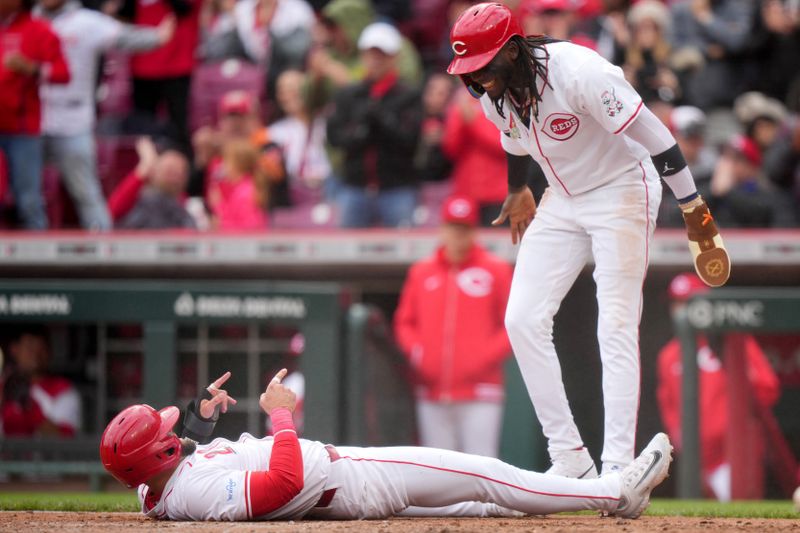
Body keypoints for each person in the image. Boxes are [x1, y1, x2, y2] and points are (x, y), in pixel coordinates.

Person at [446, 3, 729, 479]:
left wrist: (692, 206)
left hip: (622, 185)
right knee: (521, 320)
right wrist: (518, 189)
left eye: (482, 66)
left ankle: (617, 465)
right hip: (563, 196)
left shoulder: (581, 73)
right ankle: (573, 460)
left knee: (614, 323)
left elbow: (656, 136)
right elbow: (514, 140)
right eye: (467, 72)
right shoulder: (491, 91)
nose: (476, 80)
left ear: (513, 51)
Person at [100, 368, 673, 521]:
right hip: (343, 480)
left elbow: (187, 468)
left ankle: (581, 492)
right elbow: (281, 484)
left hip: (341, 483)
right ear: (158, 456)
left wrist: (199, 424)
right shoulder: (192, 491)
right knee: (484, 474)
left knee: (482, 502)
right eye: (168, 435)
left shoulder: (159, 487)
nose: (175, 435)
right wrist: (280, 420)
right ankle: (612, 492)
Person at [35, 0, 175, 232]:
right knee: (27, 193)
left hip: (73, 120)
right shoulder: (28, 20)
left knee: (86, 192)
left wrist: (158, 36)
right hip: (29, 122)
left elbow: (126, 37)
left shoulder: (85, 21)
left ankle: (104, 248)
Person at [394, 195, 513, 457]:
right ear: (442, 229)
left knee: (482, 466)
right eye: (452, 227)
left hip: (481, 388)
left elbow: (512, 325)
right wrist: (418, 354)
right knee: (438, 468)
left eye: (464, 228)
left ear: (473, 231)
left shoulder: (496, 270)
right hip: (432, 388)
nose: (457, 235)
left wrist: (482, 357)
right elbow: (405, 322)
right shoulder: (422, 271)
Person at [656, 272, 780, 501]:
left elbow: (768, 390)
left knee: (736, 515)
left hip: (733, 455)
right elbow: (669, 406)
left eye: (688, 302)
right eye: (677, 303)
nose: (681, 310)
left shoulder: (730, 342)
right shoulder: (668, 356)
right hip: (696, 459)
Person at [326, 22, 423, 228]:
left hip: (396, 187)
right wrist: (362, 128)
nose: (376, 60)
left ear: (395, 57)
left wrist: (381, 118)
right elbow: (335, 137)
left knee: (403, 251)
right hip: (355, 186)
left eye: (382, 55)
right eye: (371, 54)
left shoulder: (408, 95)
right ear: (362, 56)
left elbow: (410, 139)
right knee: (346, 253)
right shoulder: (348, 95)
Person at [0, 0, 70, 230]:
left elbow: (63, 73)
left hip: (22, 129)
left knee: (28, 199)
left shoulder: (39, 29)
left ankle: (38, 258)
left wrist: (33, 69)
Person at [0, 325, 81, 437]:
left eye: (42, 347)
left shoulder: (62, 390)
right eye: (30, 347)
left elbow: (65, 439)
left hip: (40, 454)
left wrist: (31, 410)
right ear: (14, 349)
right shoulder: (3, 387)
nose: (36, 354)